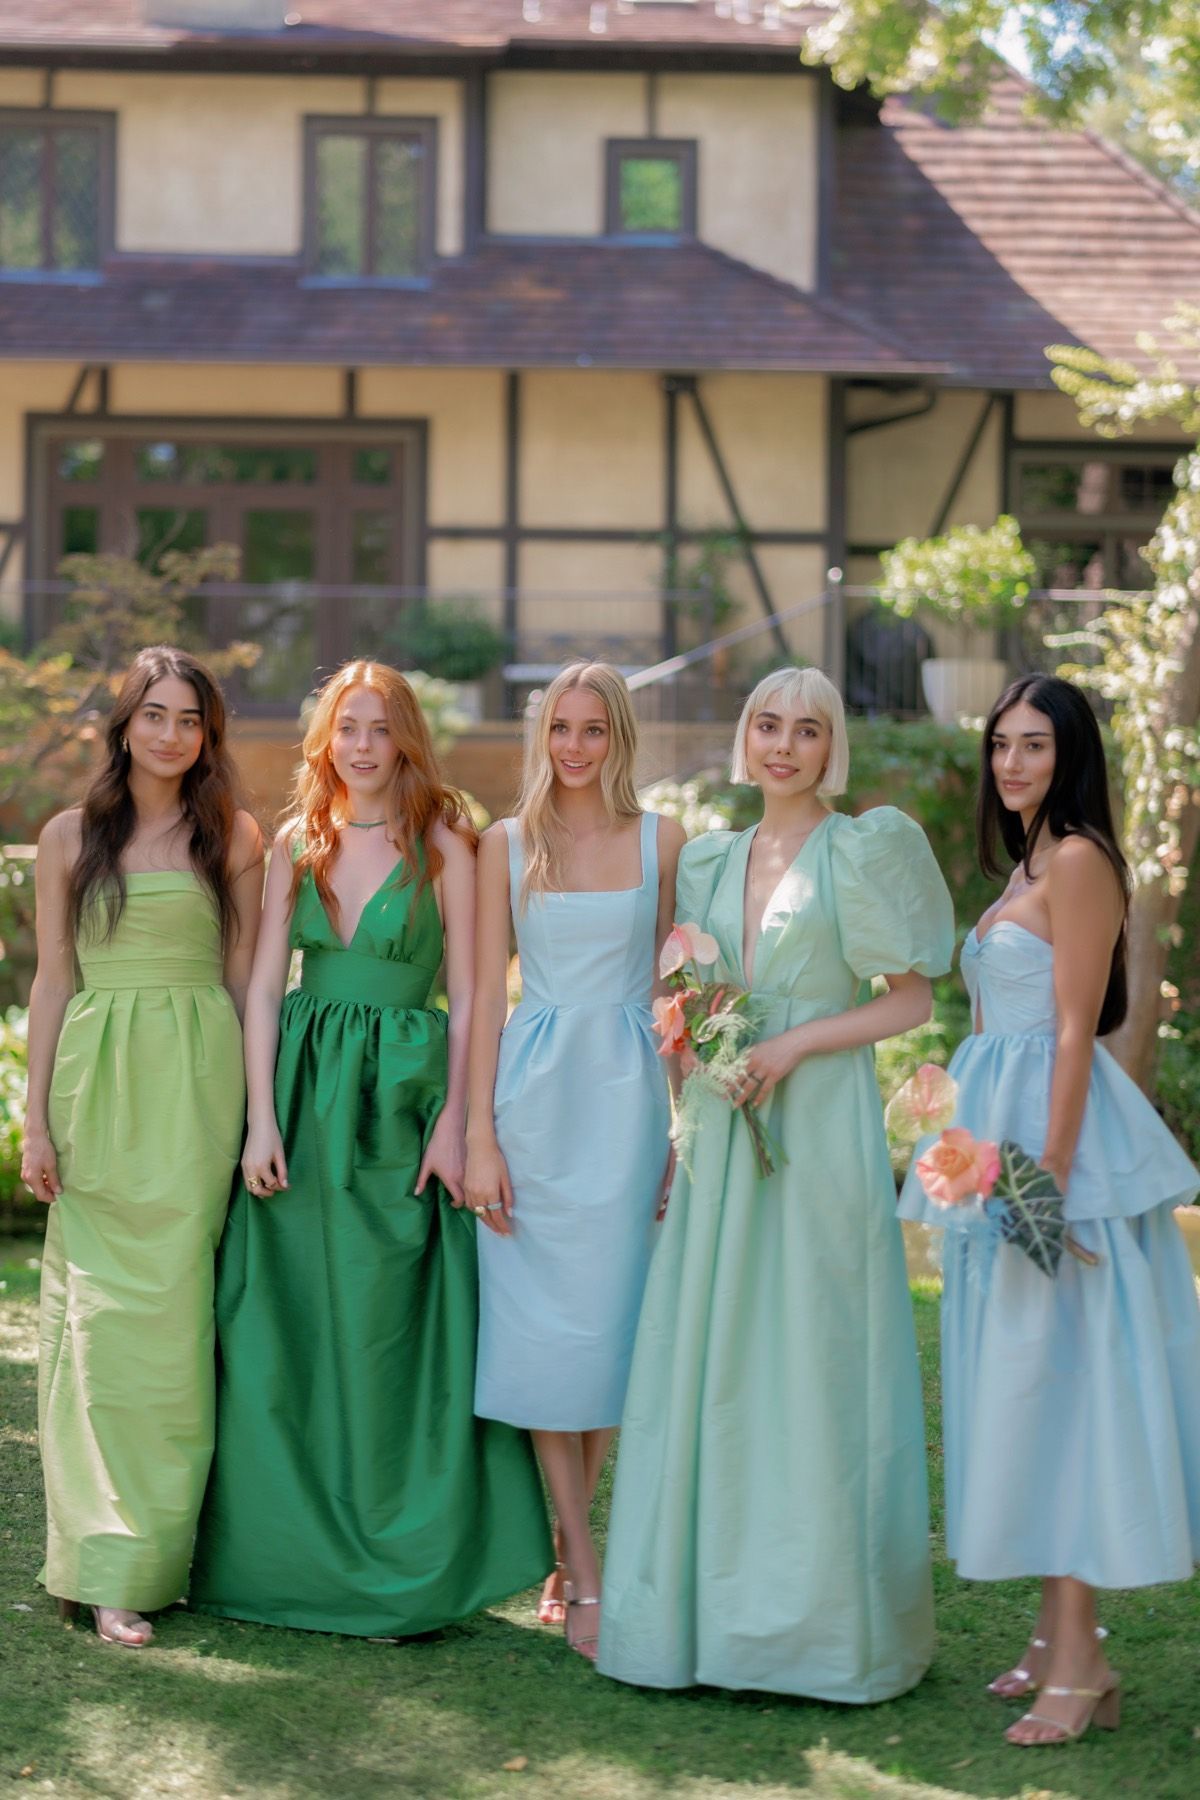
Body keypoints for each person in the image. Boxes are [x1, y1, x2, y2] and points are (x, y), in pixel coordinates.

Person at [597, 665, 954, 1701]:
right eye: (768, 725)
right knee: (714, 1357)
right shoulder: (709, 856)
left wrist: (793, 1045)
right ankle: (699, 1621)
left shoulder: (861, 848)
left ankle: (821, 1628)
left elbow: (911, 1001)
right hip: (722, 1125)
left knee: (814, 1353)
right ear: (746, 738)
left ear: (831, 745)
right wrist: (692, 1084)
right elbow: (682, 999)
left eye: (807, 729)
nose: (784, 745)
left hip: (820, 1126)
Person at [190, 661, 550, 1635]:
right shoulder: (296, 844)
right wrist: (261, 1120)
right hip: (304, 1092)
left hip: (403, 1099)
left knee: (391, 1320)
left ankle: (406, 1558)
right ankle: (284, 1556)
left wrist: (458, 1121)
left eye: (379, 728)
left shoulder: (446, 847)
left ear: (405, 741)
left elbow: (474, 996)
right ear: (325, 739)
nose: (361, 745)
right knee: (289, 1316)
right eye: (346, 727)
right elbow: (263, 990)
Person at [898, 673, 1200, 1746]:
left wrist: (1051, 1183)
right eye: (1001, 744)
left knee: (1062, 1392)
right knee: (1022, 1388)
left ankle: (1083, 1663)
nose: (1011, 763)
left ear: (1070, 755)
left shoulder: (1077, 859)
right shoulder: (1026, 861)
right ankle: (1051, 1639)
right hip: (994, 1143)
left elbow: (1077, 1029)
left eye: (1034, 745)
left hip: (1051, 1156)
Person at [21, 646, 263, 1647]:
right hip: (97, 1085)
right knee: (98, 1326)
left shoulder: (232, 835)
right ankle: (103, 1564)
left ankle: (161, 1557)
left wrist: (260, 1112)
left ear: (208, 735)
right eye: (154, 714)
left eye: (190, 719)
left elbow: (248, 981)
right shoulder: (68, 836)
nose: (171, 734)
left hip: (197, 1087)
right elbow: (52, 980)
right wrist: (35, 1118)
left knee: (172, 1327)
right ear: (123, 725)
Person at [466, 662, 682, 1659]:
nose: (576, 747)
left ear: (620, 738)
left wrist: (680, 1127)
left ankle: (570, 1543)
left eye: (594, 729)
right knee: (546, 1336)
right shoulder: (505, 844)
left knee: (608, 1333)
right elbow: (481, 997)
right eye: (561, 727)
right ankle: (583, 1566)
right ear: (541, 735)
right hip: (533, 1104)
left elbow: (676, 997)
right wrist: (476, 1133)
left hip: (629, 1102)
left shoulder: (664, 840)